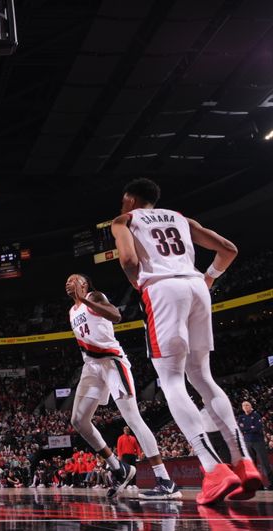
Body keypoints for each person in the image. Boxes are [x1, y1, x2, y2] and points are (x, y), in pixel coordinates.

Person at [111, 178, 262, 504]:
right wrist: (208, 278)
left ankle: (213, 468)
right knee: (204, 377)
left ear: (130, 199)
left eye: (123, 200)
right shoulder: (182, 218)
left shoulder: (125, 220)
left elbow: (127, 260)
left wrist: (139, 285)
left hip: (162, 290)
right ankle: (243, 462)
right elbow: (229, 250)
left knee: (173, 381)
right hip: (195, 286)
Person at [66, 273, 179, 499]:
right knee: (78, 420)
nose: (69, 283)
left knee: (133, 418)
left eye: (74, 280)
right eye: (66, 282)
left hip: (112, 361)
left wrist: (86, 300)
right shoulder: (71, 312)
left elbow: (116, 316)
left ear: (85, 285)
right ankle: (119, 468)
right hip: (91, 367)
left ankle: (166, 481)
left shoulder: (94, 296)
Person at [238, 401, 271, 489]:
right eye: (243, 405)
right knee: (252, 464)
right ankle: (258, 485)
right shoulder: (241, 417)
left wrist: (246, 429)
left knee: (264, 463)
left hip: (258, 442)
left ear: (251, 406)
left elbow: (257, 428)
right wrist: (250, 428)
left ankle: (271, 483)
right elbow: (240, 428)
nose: (245, 407)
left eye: (247, 405)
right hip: (247, 442)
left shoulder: (256, 415)